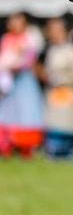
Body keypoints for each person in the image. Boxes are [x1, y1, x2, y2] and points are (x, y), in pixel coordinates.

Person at [0, 12, 44, 158]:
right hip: (8, 82)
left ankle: (26, 148)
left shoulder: (30, 39)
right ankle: (6, 146)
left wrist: (17, 65)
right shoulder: (6, 39)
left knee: (26, 113)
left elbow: (29, 60)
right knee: (7, 113)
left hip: (24, 81)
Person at [36, 17, 73, 160]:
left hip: (67, 89)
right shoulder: (50, 49)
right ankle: (53, 151)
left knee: (67, 122)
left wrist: (64, 80)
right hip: (53, 90)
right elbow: (41, 68)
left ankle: (67, 151)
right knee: (53, 121)